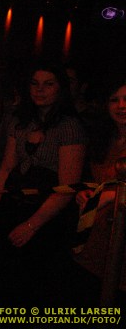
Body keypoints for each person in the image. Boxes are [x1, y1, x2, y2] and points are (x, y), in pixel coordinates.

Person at [0, 60, 86, 306]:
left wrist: (32, 225)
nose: (40, 90)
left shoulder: (69, 127)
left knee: (37, 288)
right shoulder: (20, 122)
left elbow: (67, 188)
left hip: (48, 219)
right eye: (35, 83)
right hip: (13, 206)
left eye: (48, 84)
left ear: (60, 88)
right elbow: (6, 167)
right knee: (5, 282)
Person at [73, 75, 126, 297]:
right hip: (96, 238)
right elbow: (96, 182)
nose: (121, 106)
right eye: (114, 100)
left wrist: (111, 195)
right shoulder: (104, 137)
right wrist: (87, 194)